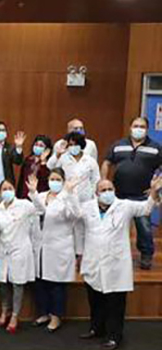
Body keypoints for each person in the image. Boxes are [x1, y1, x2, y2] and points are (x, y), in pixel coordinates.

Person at [78, 178, 162, 350]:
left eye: (110, 189)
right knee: (95, 300)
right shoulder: (87, 207)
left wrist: (154, 191)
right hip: (94, 261)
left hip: (115, 264)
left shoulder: (124, 206)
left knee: (115, 304)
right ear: (96, 193)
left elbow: (146, 209)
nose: (107, 192)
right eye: (103, 190)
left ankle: (114, 337)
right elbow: (71, 213)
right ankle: (96, 329)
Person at [101, 117, 162, 270]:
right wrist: (103, 182)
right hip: (118, 195)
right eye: (136, 125)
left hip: (142, 196)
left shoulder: (155, 148)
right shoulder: (118, 145)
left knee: (145, 229)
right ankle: (110, 254)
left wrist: (156, 187)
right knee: (114, 226)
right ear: (130, 128)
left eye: (142, 126)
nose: (138, 129)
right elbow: (107, 162)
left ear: (147, 129)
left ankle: (146, 256)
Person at [28, 168, 79, 332]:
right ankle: (44, 313)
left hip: (59, 247)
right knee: (40, 283)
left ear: (63, 181)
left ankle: (56, 317)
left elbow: (75, 215)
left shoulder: (68, 198)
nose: (54, 182)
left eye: (58, 179)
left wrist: (69, 194)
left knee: (56, 284)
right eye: (52, 179)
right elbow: (38, 212)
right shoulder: (41, 196)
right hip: (40, 246)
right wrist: (34, 193)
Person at [0, 179, 37, 334]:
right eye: (3, 188)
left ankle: (14, 316)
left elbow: (40, 209)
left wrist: (33, 193)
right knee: (3, 284)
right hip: (2, 251)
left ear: (14, 190)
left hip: (19, 249)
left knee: (17, 284)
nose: (6, 191)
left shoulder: (24, 205)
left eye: (9, 188)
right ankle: (4, 311)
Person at [47, 132, 100, 256]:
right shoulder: (64, 158)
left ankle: (84, 255)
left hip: (86, 200)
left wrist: (93, 194)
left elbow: (96, 179)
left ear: (81, 145)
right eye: (70, 145)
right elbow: (50, 167)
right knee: (70, 228)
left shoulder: (90, 160)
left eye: (75, 144)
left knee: (85, 228)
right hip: (68, 199)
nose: (73, 147)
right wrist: (58, 154)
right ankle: (73, 254)